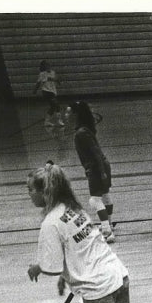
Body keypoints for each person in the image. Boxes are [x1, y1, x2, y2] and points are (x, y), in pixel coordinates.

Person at [26, 161, 140, 303]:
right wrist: (64, 278)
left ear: (45, 192)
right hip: (116, 273)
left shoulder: (50, 223)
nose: (29, 194)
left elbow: (51, 266)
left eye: (31, 189)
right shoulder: (73, 209)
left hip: (97, 285)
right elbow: (75, 249)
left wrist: (37, 268)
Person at [65, 101, 116, 242]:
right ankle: (109, 224)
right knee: (105, 195)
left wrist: (100, 172)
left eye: (68, 112)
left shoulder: (81, 133)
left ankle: (107, 231)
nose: (66, 115)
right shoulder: (85, 129)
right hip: (102, 165)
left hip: (96, 167)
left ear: (75, 114)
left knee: (94, 200)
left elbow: (95, 152)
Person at [34, 60, 63, 132]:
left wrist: (58, 81)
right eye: (47, 66)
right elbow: (38, 83)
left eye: (49, 65)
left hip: (53, 92)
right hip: (46, 92)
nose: (49, 67)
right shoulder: (42, 74)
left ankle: (46, 122)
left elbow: (57, 80)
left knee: (53, 107)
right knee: (57, 105)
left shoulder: (53, 72)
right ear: (44, 67)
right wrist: (35, 90)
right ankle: (59, 121)